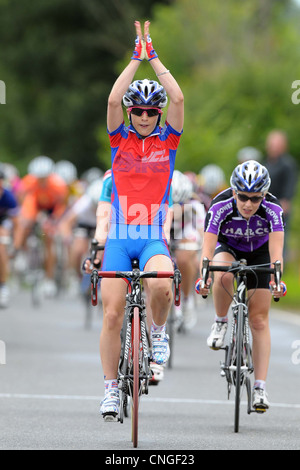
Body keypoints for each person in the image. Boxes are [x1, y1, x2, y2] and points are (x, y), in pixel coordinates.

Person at [84, 19, 184, 420]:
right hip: (120, 238)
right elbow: (111, 102)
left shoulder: (168, 141)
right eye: (138, 110)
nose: (144, 116)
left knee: (162, 282)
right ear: (131, 112)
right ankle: (110, 390)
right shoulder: (119, 139)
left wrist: (155, 60)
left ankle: (158, 333)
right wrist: (134, 60)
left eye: (150, 111)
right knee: (111, 313)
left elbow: (177, 97)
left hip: (151, 237)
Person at [195, 160, 286, 410]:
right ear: (234, 191)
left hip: (260, 254)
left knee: (259, 321)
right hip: (229, 248)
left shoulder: (273, 209)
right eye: (243, 196)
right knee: (223, 273)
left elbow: (277, 252)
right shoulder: (220, 204)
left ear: (264, 195)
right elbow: (207, 248)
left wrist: (277, 280)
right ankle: (221, 321)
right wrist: (205, 276)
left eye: (255, 198)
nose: (248, 204)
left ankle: (259, 388)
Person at [14, 156, 68, 297]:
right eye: (39, 178)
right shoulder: (28, 181)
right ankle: (20, 250)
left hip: (52, 208)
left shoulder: (59, 184)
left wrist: (54, 219)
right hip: (35, 205)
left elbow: (61, 205)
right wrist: (26, 216)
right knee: (24, 223)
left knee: (49, 237)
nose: (41, 180)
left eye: (44, 178)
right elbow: (22, 197)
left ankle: (49, 279)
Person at [170, 170, 205, 330]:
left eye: (181, 204)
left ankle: (186, 298)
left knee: (184, 257)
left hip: (185, 234)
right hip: (167, 234)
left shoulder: (196, 206)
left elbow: (200, 232)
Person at [264, 130, 298, 259]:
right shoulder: (266, 162)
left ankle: (279, 262)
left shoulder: (288, 164)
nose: (273, 147)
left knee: (280, 235)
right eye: (272, 144)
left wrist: (285, 204)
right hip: (264, 205)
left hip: (280, 206)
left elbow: (290, 185)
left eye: (276, 144)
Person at [0, 167, 20, 308]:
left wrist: (15, 245)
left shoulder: (8, 197)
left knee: (2, 245)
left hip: (3, 222)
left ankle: (3, 285)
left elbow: (17, 224)